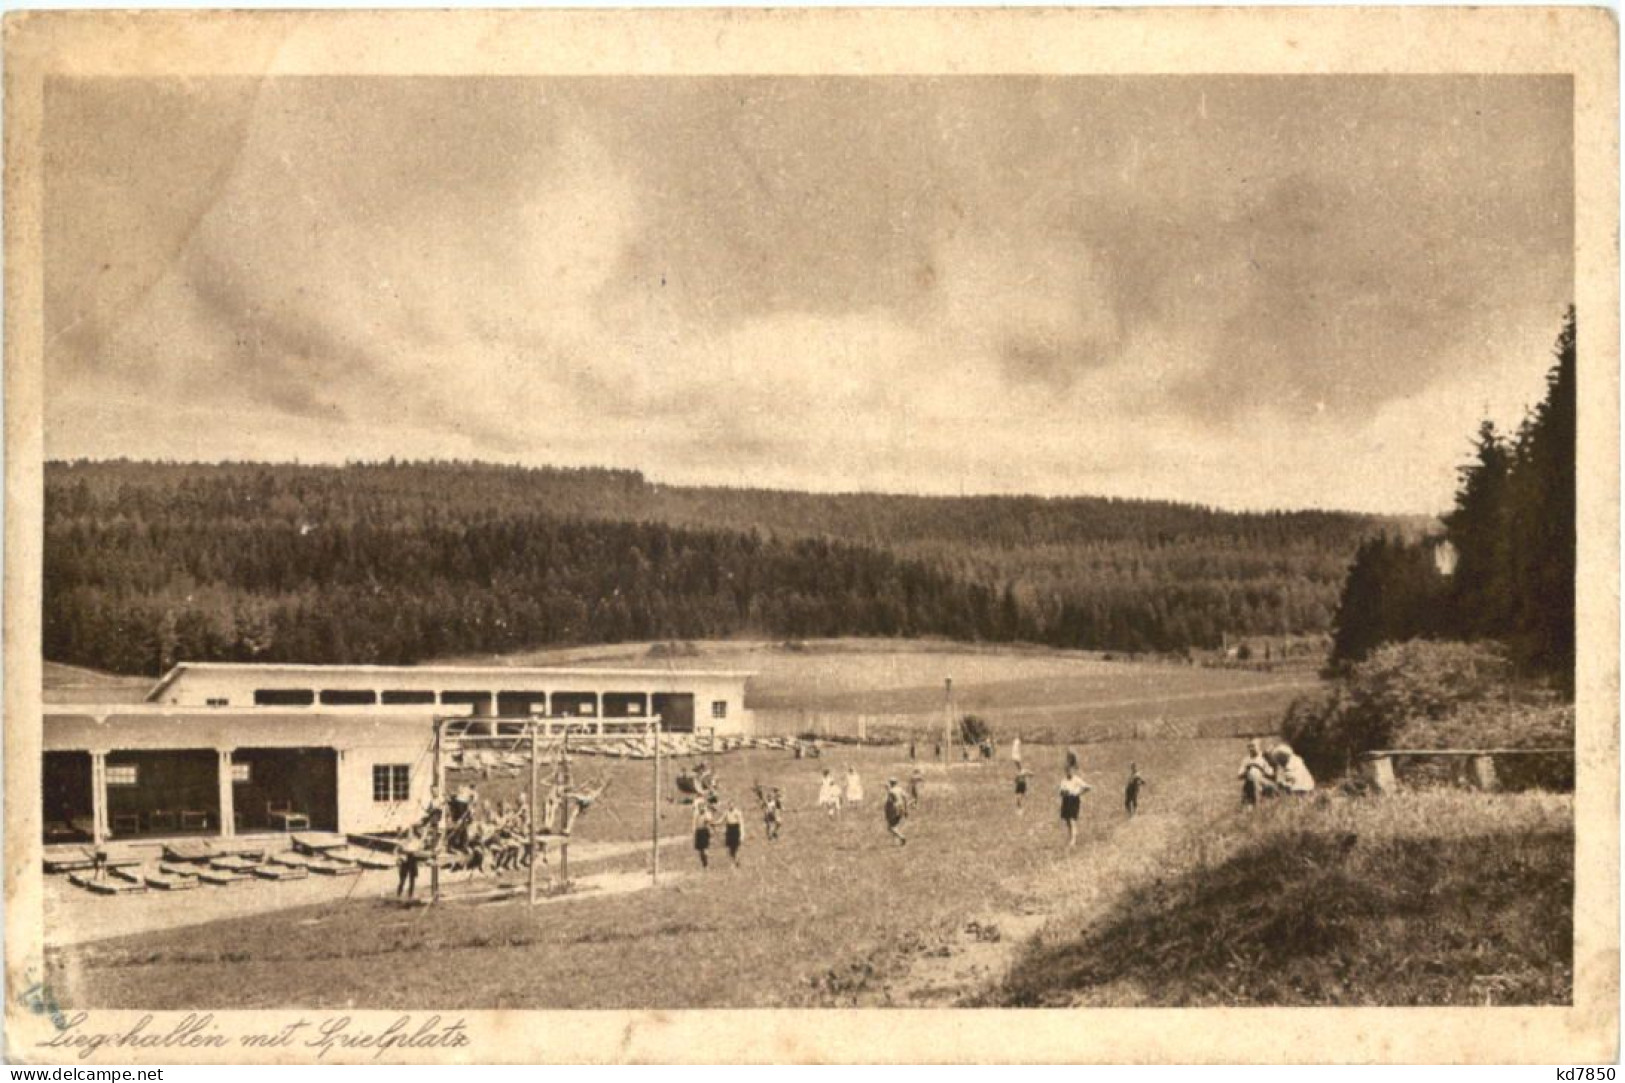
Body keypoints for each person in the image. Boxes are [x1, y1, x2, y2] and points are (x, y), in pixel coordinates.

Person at [1058, 765, 1092, 847]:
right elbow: (1060, 792)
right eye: (1067, 771)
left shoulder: (1076, 779)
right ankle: (1070, 836)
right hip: (1066, 800)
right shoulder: (1064, 781)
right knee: (1067, 820)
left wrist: (1078, 793)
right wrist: (1063, 792)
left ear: (1072, 771)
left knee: (1072, 820)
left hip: (1073, 800)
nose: (1068, 772)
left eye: (1069, 770)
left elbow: (1088, 787)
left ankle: (1074, 839)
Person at [1237, 740, 1274, 809]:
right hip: (1250, 783)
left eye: (1253, 746)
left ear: (1259, 747)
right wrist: (1247, 771)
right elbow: (1239, 775)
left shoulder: (1263, 758)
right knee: (1252, 777)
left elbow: (1271, 773)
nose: (1251, 748)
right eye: (1249, 746)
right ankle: (1251, 806)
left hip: (1263, 783)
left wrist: (1259, 768)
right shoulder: (1246, 760)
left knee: (1255, 776)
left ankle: (1257, 804)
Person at [396, 828, 422, 900]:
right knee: (403, 878)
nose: (410, 835)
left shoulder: (416, 841)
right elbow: (397, 850)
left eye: (411, 834)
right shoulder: (403, 841)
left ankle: (410, 894)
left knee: (412, 878)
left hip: (412, 858)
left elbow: (418, 850)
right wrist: (399, 858)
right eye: (409, 833)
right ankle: (399, 893)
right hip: (405, 859)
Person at [883, 777, 909, 846]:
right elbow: (906, 798)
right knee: (895, 825)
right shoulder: (900, 789)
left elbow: (889, 802)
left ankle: (901, 837)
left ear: (890, 783)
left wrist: (886, 811)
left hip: (894, 809)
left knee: (890, 827)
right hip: (901, 808)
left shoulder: (891, 791)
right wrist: (906, 810)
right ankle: (896, 842)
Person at [692, 797, 716, 869]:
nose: (701, 808)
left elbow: (711, 822)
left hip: (705, 832)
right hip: (699, 832)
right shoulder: (696, 814)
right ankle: (704, 864)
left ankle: (706, 864)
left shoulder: (707, 814)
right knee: (700, 851)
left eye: (702, 806)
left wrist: (712, 829)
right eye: (699, 807)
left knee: (705, 850)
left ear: (704, 806)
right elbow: (694, 823)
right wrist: (694, 831)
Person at [723, 801, 745, 867]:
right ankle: (734, 861)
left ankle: (736, 861)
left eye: (732, 805)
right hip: (729, 830)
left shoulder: (738, 812)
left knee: (736, 847)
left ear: (734, 805)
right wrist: (713, 823)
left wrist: (742, 834)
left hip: (735, 830)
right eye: (729, 805)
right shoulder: (726, 812)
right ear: (728, 805)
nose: (730, 806)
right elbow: (721, 820)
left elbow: (741, 824)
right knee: (730, 848)